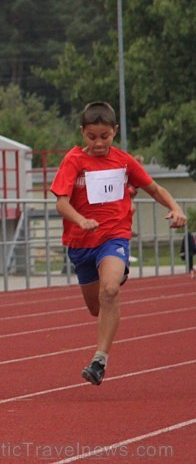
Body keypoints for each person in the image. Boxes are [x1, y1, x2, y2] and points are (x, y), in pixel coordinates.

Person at [50, 101, 186, 386]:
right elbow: (61, 203)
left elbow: (154, 188)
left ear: (115, 131)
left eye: (105, 136)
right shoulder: (73, 161)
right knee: (97, 308)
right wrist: (80, 220)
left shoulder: (124, 161)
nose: (98, 143)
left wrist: (176, 208)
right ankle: (115, 272)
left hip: (114, 236)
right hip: (80, 243)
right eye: (91, 137)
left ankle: (99, 360)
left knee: (110, 290)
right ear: (82, 133)